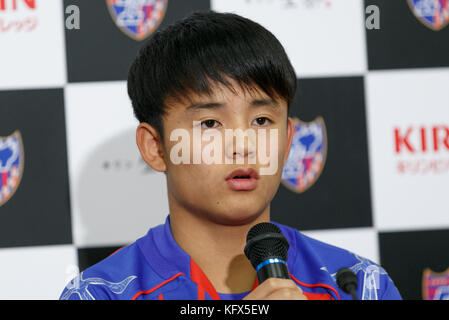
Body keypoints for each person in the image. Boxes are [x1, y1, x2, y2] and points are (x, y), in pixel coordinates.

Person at [60, 11, 401, 300]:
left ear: (286, 142)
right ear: (156, 147)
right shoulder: (99, 293)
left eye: (262, 121)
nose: (243, 144)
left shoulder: (359, 285)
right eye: (210, 123)